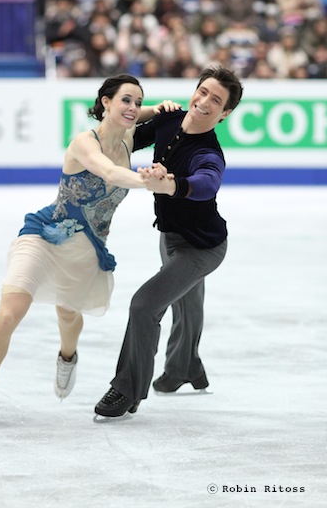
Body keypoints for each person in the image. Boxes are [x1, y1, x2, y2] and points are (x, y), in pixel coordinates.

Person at [0, 74, 180, 424]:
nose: (133, 108)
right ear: (105, 102)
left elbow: (140, 114)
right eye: (125, 100)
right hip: (45, 234)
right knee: (11, 311)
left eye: (138, 101)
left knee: (68, 314)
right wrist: (148, 182)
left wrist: (159, 108)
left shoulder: (130, 137)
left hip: (87, 250)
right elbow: (109, 173)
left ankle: (67, 357)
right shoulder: (84, 143)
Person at [94, 65, 244, 418]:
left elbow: (207, 182)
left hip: (203, 247)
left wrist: (171, 185)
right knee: (187, 305)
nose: (205, 101)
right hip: (171, 236)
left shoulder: (208, 152)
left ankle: (126, 391)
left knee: (145, 305)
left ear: (225, 113)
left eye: (216, 100)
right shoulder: (169, 119)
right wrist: (142, 113)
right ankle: (185, 368)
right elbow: (126, 137)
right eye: (203, 91)